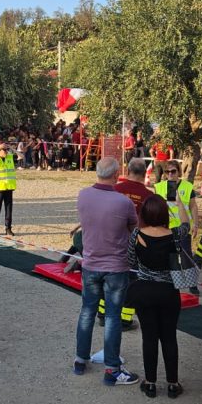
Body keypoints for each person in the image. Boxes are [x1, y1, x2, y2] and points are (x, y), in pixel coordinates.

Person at [72, 157, 140, 385]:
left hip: (90, 264)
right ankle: (112, 368)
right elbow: (134, 230)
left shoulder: (83, 195)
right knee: (112, 316)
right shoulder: (123, 202)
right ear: (115, 175)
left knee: (87, 312)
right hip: (116, 267)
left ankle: (80, 359)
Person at [126, 194, 184, 398]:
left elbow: (130, 260)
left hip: (145, 291)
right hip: (169, 291)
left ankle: (150, 382)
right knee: (169, 337)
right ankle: (173, 383)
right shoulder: (175, 235)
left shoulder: (136, 234)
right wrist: (180, 204)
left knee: (149, 337)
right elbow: (186, 225)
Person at [154, 161, 200, 295]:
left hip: (183, 227)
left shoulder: (187, 186)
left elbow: (193, 206)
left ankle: (192, 284)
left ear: (179, 172)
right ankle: (171, 283)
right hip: (166, 227)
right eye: (167, 172)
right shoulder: (159, 187)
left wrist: (196, 224)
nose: (170, 174)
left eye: (173, 171)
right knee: (169, 256)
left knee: (186, 255)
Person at [0, 140, 17, 236]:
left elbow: (22, 156)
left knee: (9, 209)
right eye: (3, 150)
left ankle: (8, 228)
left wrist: (12, 148)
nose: (5, 152)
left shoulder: (10, 157)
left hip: (9, 188)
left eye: (6, 150)